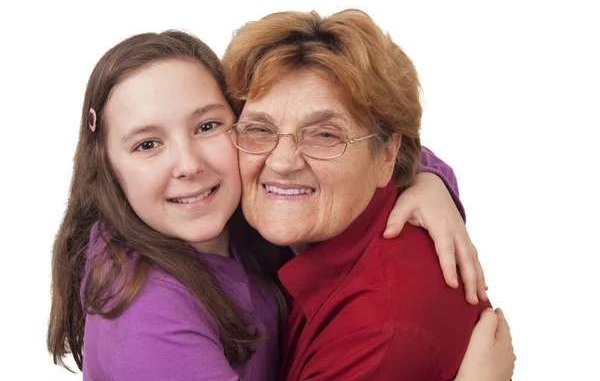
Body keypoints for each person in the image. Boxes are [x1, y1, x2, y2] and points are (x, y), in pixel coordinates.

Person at [46, 30, 511, 380]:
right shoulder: (149, 322)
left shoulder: (246, 218)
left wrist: (429, 181)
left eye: (207, 126)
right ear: (108, 170)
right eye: (147, 145)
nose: (187, 164)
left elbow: (368, 146)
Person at [222, 9, 514, 380]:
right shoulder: (245, 219)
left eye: (325, 135)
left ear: (387, 154)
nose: (282, 162)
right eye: (259, 129)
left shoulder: (377, 332)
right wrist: (431, 178)